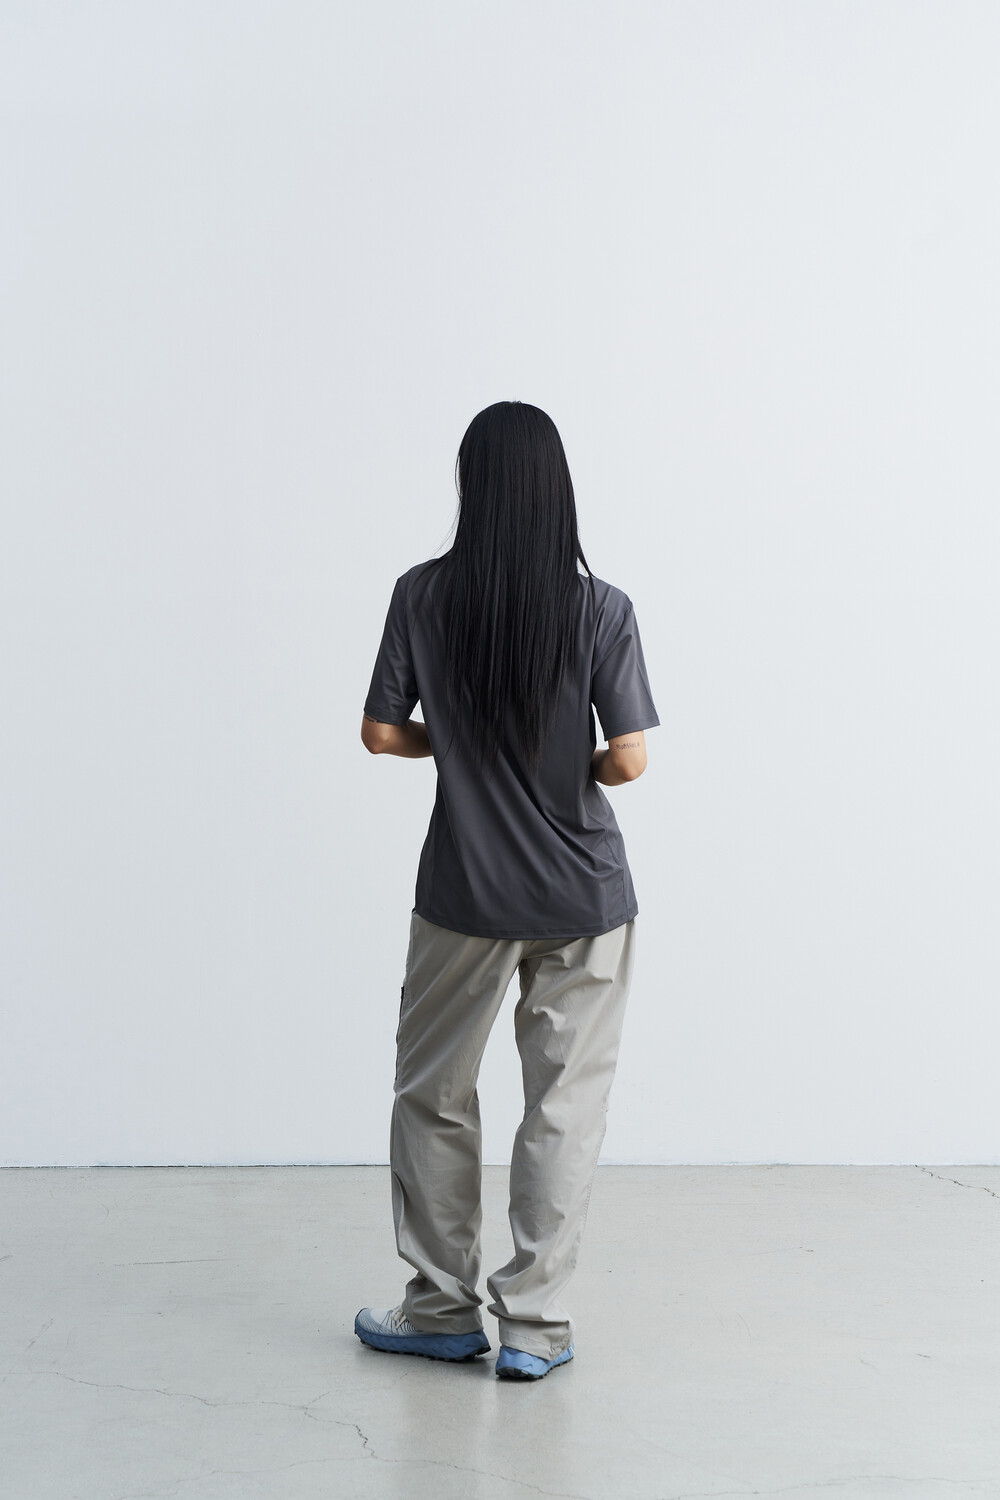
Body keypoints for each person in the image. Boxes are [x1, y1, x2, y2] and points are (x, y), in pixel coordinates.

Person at [354, 401, 660, 1381]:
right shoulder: (601, 607)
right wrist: (570, 764)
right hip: (584, 897)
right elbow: (629, 760)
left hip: (464, 893)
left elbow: (379, 733)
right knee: (563, 1108)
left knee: (433, 1096)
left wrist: (462, 745)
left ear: (471, 485)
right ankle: (534, 1329)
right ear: (556, 489)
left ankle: (439, 1311)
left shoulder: (422, 594)